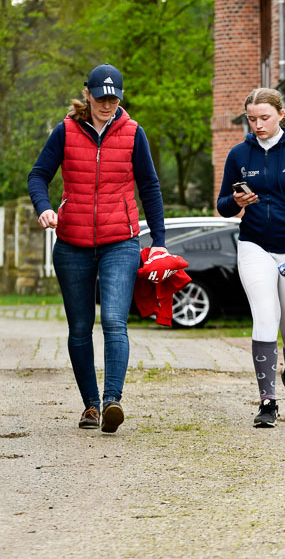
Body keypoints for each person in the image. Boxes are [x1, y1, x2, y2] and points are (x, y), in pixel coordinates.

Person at [28, 63, 167, 433]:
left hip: (120, 242)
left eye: (113, 99)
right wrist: (43, 207)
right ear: (87, 94)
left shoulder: (134, 133)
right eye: (101, 97)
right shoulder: (65, 131)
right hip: (71, 244)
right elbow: (38, 175)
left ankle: (112, 401)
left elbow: (150, 188)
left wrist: (159, 242)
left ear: (121, 98)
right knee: (79, 327)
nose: (107, 105)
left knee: (114, 321)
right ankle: (90, 405)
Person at [217, 88, 285, 428]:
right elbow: (223, 206)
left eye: (264, 118)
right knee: (265, 316)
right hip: (255, 245)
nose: (258, 125)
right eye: (252, 119)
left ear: (281, 114)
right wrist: (237, 202)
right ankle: (268, 402)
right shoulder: (239, 154)